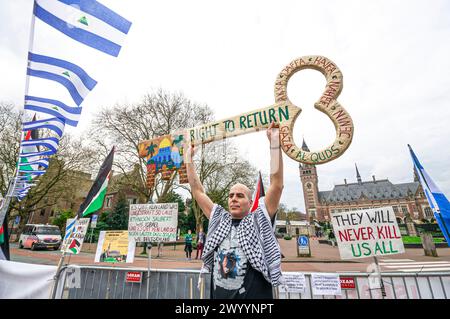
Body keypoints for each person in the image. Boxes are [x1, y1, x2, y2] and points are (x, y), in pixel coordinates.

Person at [185, 122, 284, 299]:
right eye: (231, 195)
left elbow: (277, 184)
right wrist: (188, 159)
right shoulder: (219, 220)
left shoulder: (259, 219)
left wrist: (275, 144)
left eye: (240, 195)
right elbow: (197, 191)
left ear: (250, 201)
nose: (233, 199)